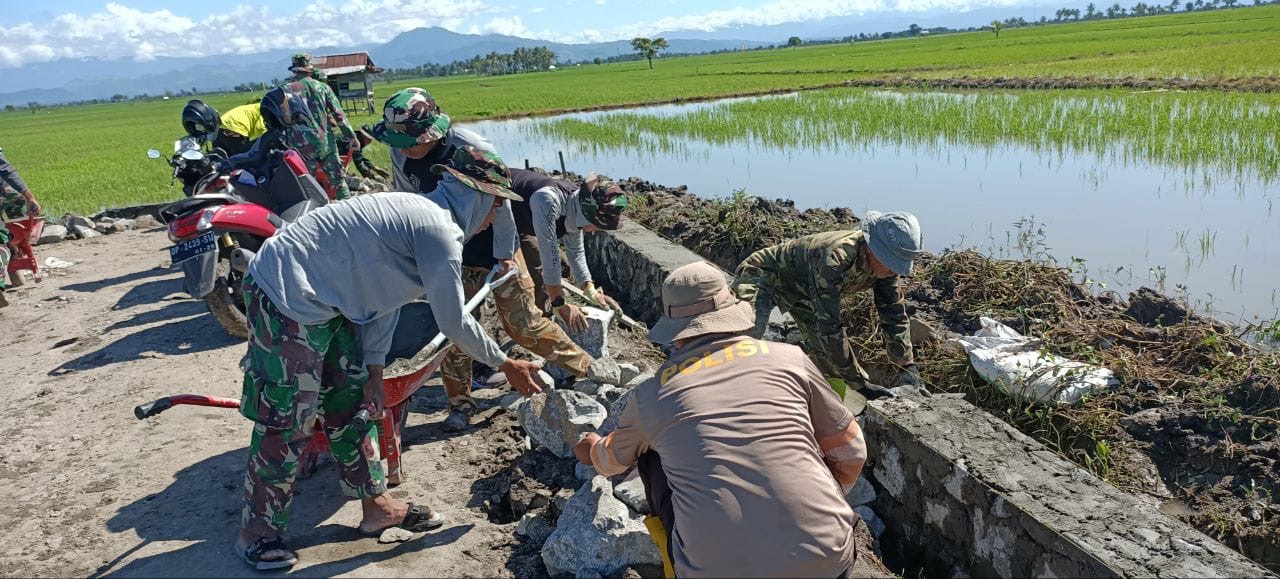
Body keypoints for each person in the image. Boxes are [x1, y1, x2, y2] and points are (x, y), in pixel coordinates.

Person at [232, 149, 544, 570]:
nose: (494, 217)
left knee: (354, 403)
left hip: (328, 301)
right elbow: (453, 320)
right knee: (289, 419)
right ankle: (258, 531)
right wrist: (505, 363)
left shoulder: (423, 218)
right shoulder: (437, 229)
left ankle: (377, 508)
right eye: (496, 204)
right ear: (478, 195)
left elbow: (385, 301)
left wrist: (375, 371)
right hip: (284, 293)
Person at [574, 261, 868, 578]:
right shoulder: (790, 359)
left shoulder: (652, 396)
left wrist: (591, 448)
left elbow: (611, 461)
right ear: (731, 313)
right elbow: (851, 451)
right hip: (828, 560)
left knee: (650, 455)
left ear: (676, 331)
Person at [371, 89, 624, 431]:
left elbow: (501, 204)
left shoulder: (473, 149)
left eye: (409, 141)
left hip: (493, 244)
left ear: (430, 131)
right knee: (454, 331)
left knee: (523, 324)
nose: (402, 148)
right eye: (398, 141)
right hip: (448, 250)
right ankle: (460, 404)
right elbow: (409, 198)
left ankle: (588, 367)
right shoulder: (401, 150)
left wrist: (504, 255)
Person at [731, 212, 926, 401]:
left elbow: (893, 313)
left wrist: (906, 365)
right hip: (764, 276)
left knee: (829, 360)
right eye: (890, 263)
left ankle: (830, 411)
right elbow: (830, 327)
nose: (894, 270)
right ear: (871, 248)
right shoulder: (835, 258)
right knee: (748, 333)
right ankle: (725, 390)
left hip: (805, 292)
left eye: (899, 265)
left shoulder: (886, 271)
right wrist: (859, 384)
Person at [509, 168, 627, 326]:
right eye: (598, 225)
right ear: (588, 215)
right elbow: (549, 254)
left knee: (536, 265)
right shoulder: (548, 201)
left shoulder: (575, 208)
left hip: (524, 221)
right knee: (518, 268)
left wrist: (589, 288)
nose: (598, 230)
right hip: (495, 212)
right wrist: (559, 303)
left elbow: (576, 251)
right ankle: (528, 322)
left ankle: (544, 317)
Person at [280, 52, 357, 200]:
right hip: (325, 142)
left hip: (301, 145)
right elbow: (339, 115)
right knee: (339, 183)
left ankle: (313, 215)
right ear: (310, 68)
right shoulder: (322, 88)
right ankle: (350, 213)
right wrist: (351, 137)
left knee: (306, 183)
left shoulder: (285, 90)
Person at [0, 148, 40, 308]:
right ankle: (10, 246)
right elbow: (4, 168)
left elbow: (4, 169)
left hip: (3, 192)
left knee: (18, 207)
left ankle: (13, 251)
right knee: (3, 238)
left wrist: (28, 197)